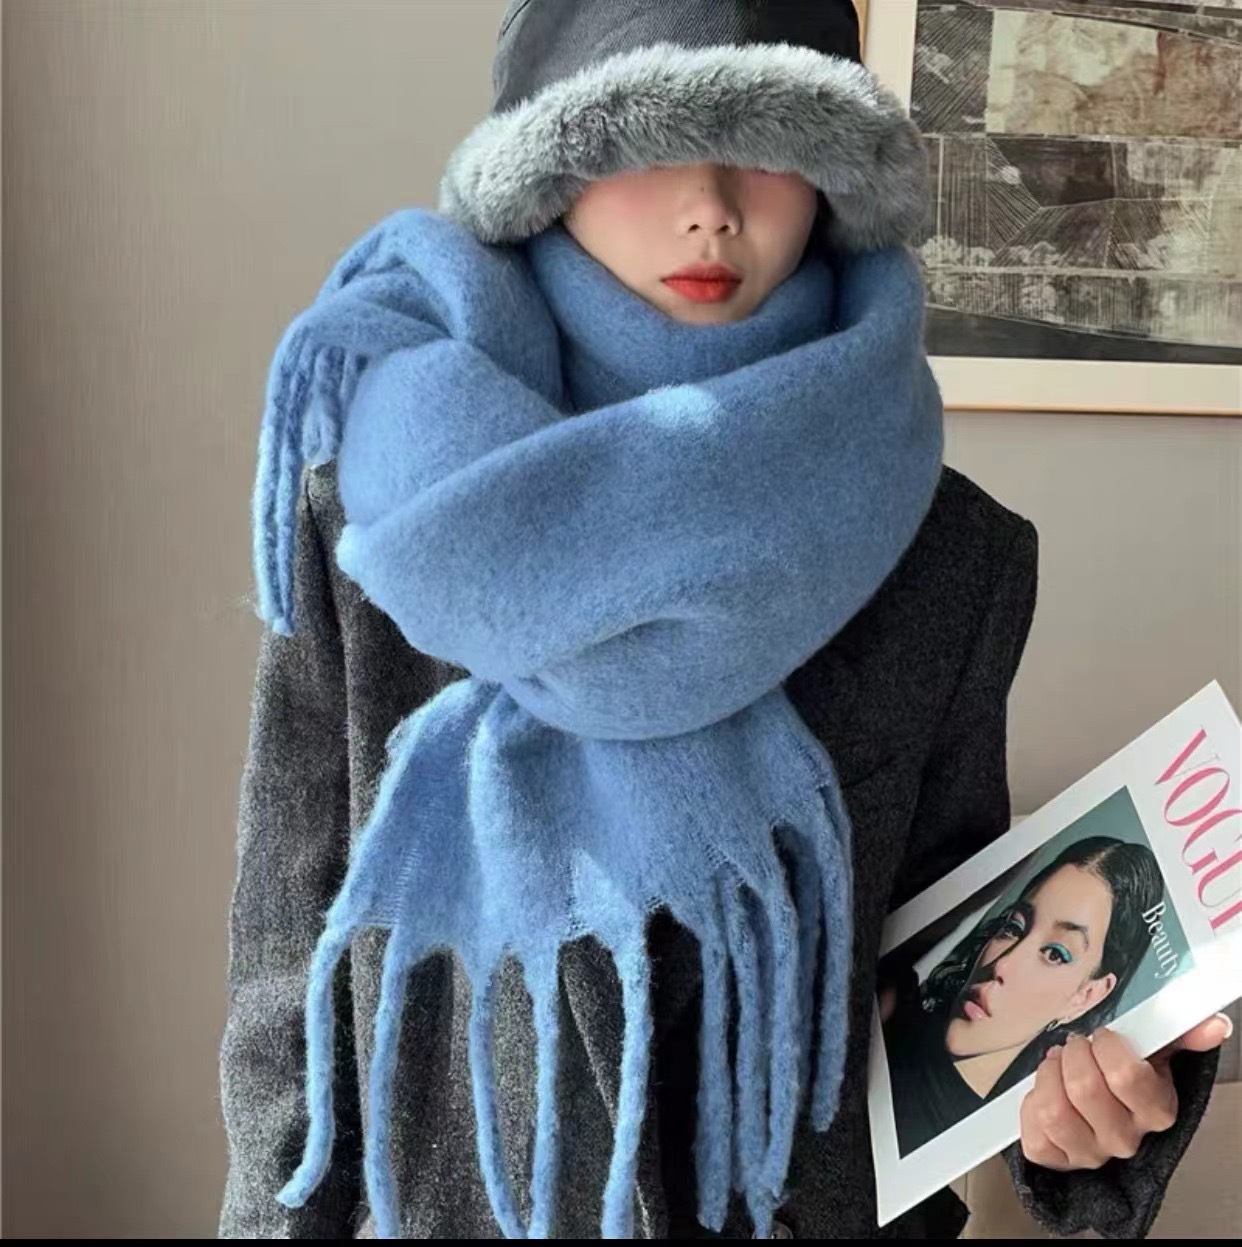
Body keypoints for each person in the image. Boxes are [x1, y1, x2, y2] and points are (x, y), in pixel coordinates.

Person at [218, 0, 1229, 1239]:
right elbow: (290, 964)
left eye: (769, 142)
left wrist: (1088, 1116)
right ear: (547, 169)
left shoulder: (954, 558)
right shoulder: (383, 513)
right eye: (643, 141)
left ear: (833, 177)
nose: (709, 206)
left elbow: (943, 963)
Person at [882, 836, 1165, 1156]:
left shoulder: (1025, 1138)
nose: (1002, 965)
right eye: (1014, 928)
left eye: (1055, 954)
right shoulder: (891, 1002)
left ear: (1086, 996)